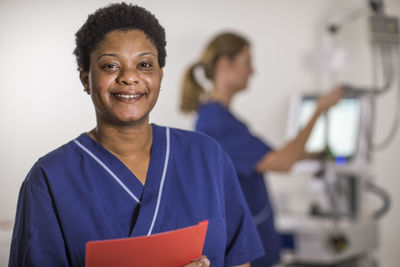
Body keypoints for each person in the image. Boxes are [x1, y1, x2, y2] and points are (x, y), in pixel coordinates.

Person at [9, 6, 265, 267]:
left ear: (159, 76)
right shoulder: (49, 179)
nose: (130, 77)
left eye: (144, 65)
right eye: (110, 65)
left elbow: (238, 259)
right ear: (86, 79)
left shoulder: (207, 157)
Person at [180, 32, 344, 267]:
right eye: (247, 62)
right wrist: (318, 110)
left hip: (256, 238)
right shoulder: (217, 123)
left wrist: (315, 154)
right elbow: (282, 162)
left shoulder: (222, 118)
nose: (252, 71)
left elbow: (271, 158)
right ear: (225, 64)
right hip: (247, 247)